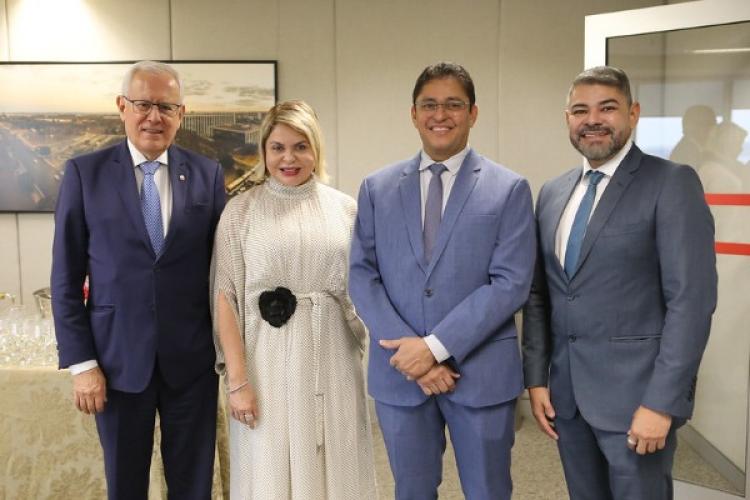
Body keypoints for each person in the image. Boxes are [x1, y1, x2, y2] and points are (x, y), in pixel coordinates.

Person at [522, 66, 717, 500]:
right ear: (568, 119)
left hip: (638, 402)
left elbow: (691, 303)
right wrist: (536, 380)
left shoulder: (671, 183)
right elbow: (540, 296)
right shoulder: (552, 192)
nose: (592, 119)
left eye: (607, 108)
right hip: (568, 401)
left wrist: (661, 403)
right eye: (580, 110)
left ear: (633, 113)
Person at [349, 62, 536, 499]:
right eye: (429, 104)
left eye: (454, 104)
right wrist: (411, 354)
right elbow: (362, 274)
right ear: (413, 114)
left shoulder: (508, 189)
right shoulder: (377, 188)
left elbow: (510, 283)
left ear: (473, 113)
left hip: (481, 373)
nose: (440, 115)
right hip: (401, 375)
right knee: (411, 491)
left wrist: (434, 348)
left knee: (488, 491)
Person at [51, 60, 226, 499]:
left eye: (166, 107)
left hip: (192, 364)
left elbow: (224, 273)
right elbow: (65, 280)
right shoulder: (84, 174)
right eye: (143, 104)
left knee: (193, 487)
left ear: (182, 114)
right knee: (125, 486)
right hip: (115, 364)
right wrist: (82, 364)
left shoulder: (207, 174)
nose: (154, 117)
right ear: (122, 106)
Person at [211, 100, 376, 500]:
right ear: (264, 151)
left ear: (316, 149)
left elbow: (366, 287)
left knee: (336, 461)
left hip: (332, 362)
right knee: (270, 467)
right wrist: (238, 383)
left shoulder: (345, 210)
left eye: (301, 146)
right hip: (265, 368)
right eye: (278, 147)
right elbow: (226, 299)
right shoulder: (240, 212)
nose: (289, 158)